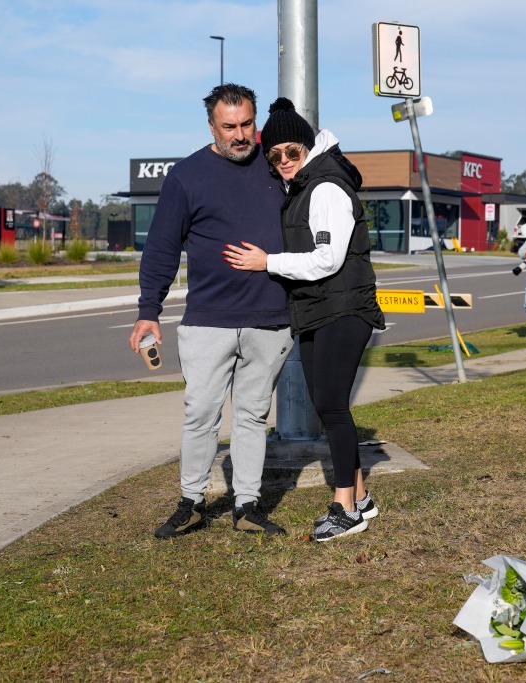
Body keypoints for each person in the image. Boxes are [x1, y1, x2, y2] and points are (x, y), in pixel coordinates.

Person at [129, 83, 292, 540]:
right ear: (211, 126)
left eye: (247, 125)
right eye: (229, 127)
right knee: (200, 412)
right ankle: (193, 501)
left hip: (270, 317)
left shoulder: (276, 164)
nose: (240, 135)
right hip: (208, 321)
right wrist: (149, 311)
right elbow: (161, 248)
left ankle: (247, 505)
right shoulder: (186, 176)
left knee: (253, 414)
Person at [223, 97, 386, 542]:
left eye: (291, 152)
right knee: (327, 405)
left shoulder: (327, 186)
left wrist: (267, 262)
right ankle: (362, 496)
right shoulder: (305, 185)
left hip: (343, 307)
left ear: (308, 147)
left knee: (332, 407)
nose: (283, 162)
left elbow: (328, 259)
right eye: (274, 156)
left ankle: (344, 509)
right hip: (319, 308)